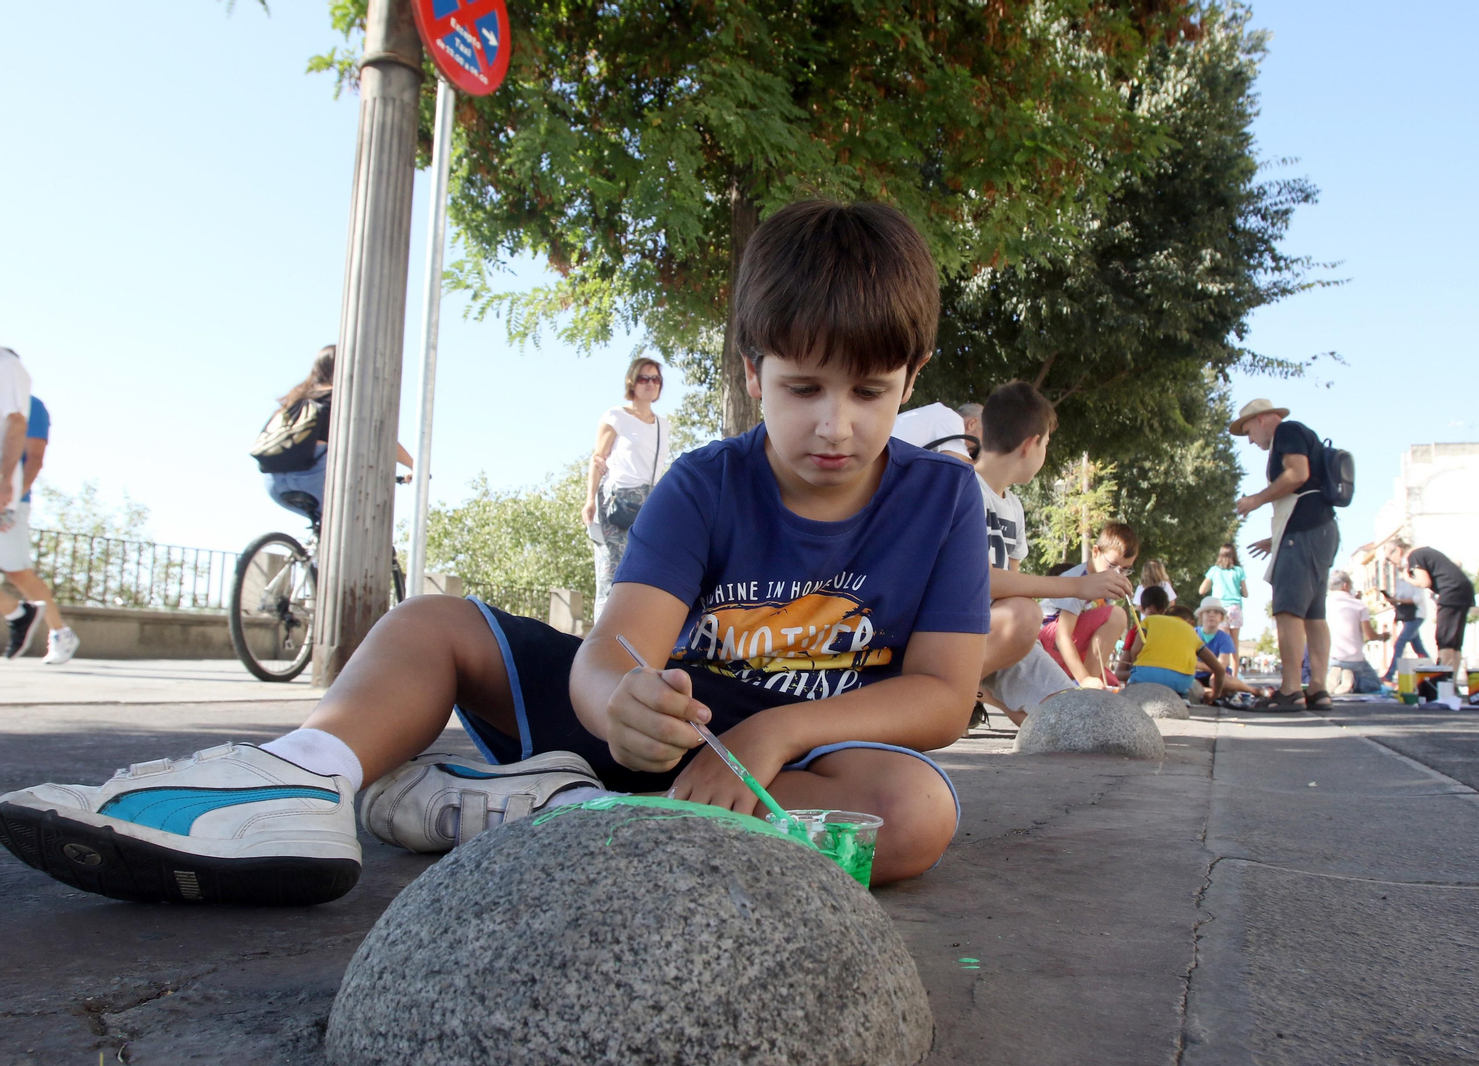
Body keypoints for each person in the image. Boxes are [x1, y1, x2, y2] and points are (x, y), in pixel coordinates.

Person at [0, 199, 991, 904]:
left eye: (870, 392)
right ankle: (298, 778)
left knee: (912, 815)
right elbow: (614, 649)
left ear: (911, 379)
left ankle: (547, 811)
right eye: (803, 387)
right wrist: (624, 705)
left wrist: (771, 738)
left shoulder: (941, 495)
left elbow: (944, 693)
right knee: (431, 623)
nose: (836, 423)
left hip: (793, 766)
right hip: (654, 739)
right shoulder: (705, 480)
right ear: (752, 370)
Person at [968, 382, 1127, 725]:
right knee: (1026, 615)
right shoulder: (960, 487)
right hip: (951, 632)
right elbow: (974, 580)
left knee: (1070, 719)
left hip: (995, 635)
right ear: (1031, 445)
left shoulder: (1014, 507)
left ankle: (972, 691)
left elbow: (1013, 583)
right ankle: (940, 688)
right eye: (1047, 445)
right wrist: (1077, 586)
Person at [1232, 398, 1340, 711]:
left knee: (1288, 609)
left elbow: (1297, 474)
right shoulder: (1302, 433)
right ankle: (1318, 687)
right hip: (1320, 529)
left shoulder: (1288, 431)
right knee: (1314, 613)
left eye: (1248, 430)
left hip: (1303, 531)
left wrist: (1256, 500)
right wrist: (1275, 539)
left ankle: (1291, 688)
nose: (1250, 440)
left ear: (1263, 419)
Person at [257, 346, 414, 519]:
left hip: (273, 480)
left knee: (327, 527)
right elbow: (382, 438)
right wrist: (414, 466)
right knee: (368, 521)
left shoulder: (295, 399)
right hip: (316, 474)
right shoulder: (342, 397)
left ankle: (310, 546)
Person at [0, 353, 78, 663]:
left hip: (10, 500)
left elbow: (34, 458)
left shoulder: (31, 407)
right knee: (19, 573)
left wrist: (14, 501)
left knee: (19, 575)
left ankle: (59, 632)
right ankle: (20, 615)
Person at [580, 357, 672, 614]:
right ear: (633, 382)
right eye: (644, 378)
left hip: (650, 502)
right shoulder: (616, 416)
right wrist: (589, 500)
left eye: (656, 379)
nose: (651, 383)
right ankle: (600, 642)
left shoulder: (663, 425)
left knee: (646, 574)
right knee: (611, 572)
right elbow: (598, 458)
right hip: (618, 500)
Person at [1037, 523, 1140, 688]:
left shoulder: (1104, 583)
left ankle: (1083, 683)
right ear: (1096, 552)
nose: (1117, 574)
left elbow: (1098, 637)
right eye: (1112, 566)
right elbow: (1062, 636)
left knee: (1110, 683)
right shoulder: (1078, 579)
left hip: (1064, 646)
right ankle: (1084, 689)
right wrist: (1085, 679)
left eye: (1125, 569)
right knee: (1118, 615)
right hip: (1046, 642)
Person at [1116, 588, 1227, 702]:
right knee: (1185, 686)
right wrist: (1214, 695)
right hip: (1180, 682)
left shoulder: (1149, 621)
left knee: (1133, 685)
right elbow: (1219, 670)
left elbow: (1135, 650)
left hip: (1145, 677)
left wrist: (1138, 665)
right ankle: (1183, 698)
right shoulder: (1192, 632)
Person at [1384, 540, 1474, 677]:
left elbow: (1424, 582)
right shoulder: (1426, 551)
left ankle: (1445, 683)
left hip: (1450, 592)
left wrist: (1406, 578)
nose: (1391, 562)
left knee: (1445, 639)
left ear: (1398, 550)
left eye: (1389, 558)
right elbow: (1456, 563)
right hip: (1464, 591)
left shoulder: (1414, 556)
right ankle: (1452, 682)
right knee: (1455, 641)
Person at [1325, 571, 1384, 694]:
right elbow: (1369, 635)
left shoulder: (1324, 604)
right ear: (1346, 585)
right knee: (1373, 686)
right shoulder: (1358, 605)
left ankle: (1340, 676)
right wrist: (1382, 636)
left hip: (1330, 658)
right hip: (1354, 659)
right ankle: (1350, 679)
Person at [1198, 543, 1248, 670]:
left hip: (1219, 609)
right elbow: (1246, 593)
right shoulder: (1238, 571)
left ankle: (1220, 671)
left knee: (1221, 641)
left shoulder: (1214, 570)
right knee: (1234, 644)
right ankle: (1235, 675)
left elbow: (1201, 590)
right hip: (1235, 608)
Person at [891, 400, 981, 461]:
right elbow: (956, 467)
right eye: (973, 450)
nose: (969, 453)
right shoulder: (952, 419)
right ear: (972, 423)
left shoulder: (939, 414)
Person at [1379, 575, 1430, 683]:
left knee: (1400, 643)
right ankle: (1434, 672)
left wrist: (1398, 600)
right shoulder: (1400, 580)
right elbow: (1399, 598)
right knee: (1419, 648)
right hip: (1407, 616)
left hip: (1417, 615)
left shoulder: (1415, 579)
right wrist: (1392, 600)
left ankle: (1389, 675)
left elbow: (1418, 598)